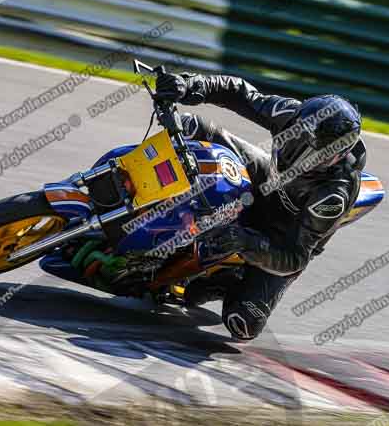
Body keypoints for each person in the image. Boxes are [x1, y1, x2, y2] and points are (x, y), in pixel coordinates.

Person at [149, 71, 366, 340]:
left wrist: (246, 243)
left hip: (282, 236)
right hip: (269, 181)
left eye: (305, 145)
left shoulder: (333, 194)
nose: (293, 142)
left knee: (244, 322)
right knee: (192, 127)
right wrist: (192, 84)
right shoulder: (293, 116)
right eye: (297, 133)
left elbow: (296, 256)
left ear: (331, 156)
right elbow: (241, 93)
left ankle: (226, 279)